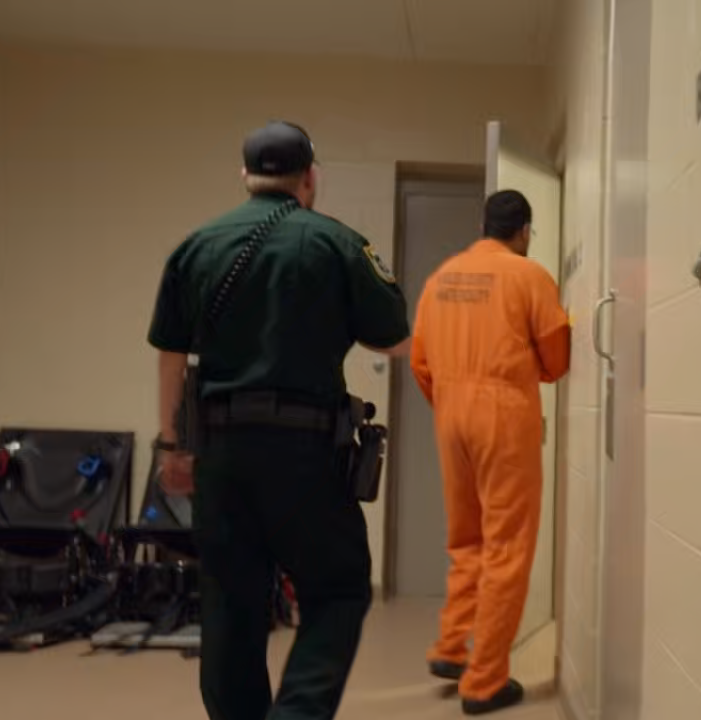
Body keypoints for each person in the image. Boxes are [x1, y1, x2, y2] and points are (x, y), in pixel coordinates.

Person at [147, 120, 410, 720]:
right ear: (310, 177)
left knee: (229, 606)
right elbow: (394, 339)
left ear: (244, 175)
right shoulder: (337, 243)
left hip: (221, 453)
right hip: (306, 453)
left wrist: (172, 446)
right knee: (339, 587)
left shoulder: (195, 247)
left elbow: (170, 357)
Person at [410, 189, 572, 715]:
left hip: (450, 415)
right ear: (524, 231)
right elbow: (556, 360)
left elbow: (420, 362)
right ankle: (484, 682)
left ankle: (451, 647)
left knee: (467, 540)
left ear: (484, 227)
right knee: (507, 547)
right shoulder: (530, 277)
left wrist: (452, 400)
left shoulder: (440, 279)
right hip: (503, 417)